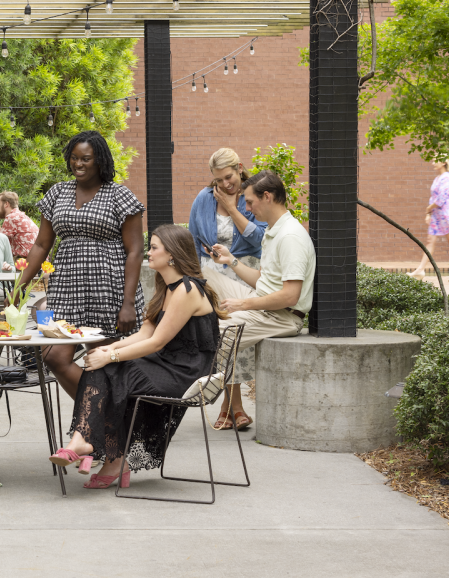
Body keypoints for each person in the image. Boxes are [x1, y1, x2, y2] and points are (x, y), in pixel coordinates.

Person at [49, 225, 226, 488]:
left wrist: (113, 356)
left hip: (186, 371)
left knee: (112, 370)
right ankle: (96, 450)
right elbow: (145, 333)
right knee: (100, 367)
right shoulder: (169, 288)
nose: (149, 252)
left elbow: (157, 342)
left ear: (172, 255)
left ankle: (93, 446)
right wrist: (109, 350)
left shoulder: (187, 289)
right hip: (168, 364)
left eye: (154, 247)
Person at [13, 131, 144, 406]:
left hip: (107, 287)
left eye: (86, 159)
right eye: (74, 158)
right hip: (66, 287)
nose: (78, 164)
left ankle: (102, 428)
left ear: (101, 162)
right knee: (54, 356)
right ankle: (99, 419)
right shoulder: (58, 192)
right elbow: (41, 245)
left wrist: (128, 302)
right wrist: (20, 287)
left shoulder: (120, 196)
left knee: (102, 359)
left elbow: (135, 251)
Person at [204, 170, 315, 431]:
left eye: (250, 202)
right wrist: (230, 261)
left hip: (281, 316)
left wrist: (242, 305)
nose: (248, 208)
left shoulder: (290, 237)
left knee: (211, 330)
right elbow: (263, 281)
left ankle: (199, 384)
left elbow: (290, 296)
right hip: (262, 300)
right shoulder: (275, 231)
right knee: (201, 275)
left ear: (267, 196)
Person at [188, 148, 266, 284]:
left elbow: (260, 239)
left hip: (247, 277)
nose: (225, 184)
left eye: (228, 177)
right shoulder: (204, 198)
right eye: (219, 180)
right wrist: (195, 277)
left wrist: (231, 209)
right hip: (210, 277)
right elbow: (193, 241)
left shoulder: (254, 196)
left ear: (240, 168)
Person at [408, 160, 449, 282]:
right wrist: (429, 214)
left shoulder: (447, 178)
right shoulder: (438, 178)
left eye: (436, 161)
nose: (433, 163)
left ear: (444, 163)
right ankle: (420, 270)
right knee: (430, 241)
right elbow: (433, 197)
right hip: (436, 215)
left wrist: (429, 208)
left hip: (446, 214)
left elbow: (441, 199)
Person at [0, 192, 38, 259]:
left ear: (6, 204)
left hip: (25, 261)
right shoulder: (22, 216)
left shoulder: (11, 217)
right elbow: (0, 237)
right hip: (37, 261)